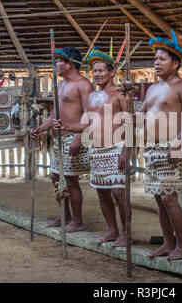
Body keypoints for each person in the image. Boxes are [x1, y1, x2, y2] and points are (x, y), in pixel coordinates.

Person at [53, 49, 130, 247]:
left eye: (101, 70)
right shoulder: (92, 97)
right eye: (94, 71)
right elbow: (85, 124)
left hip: (115, 148)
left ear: (112, 72)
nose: (96, 74)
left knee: (119, 194)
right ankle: (112, 231)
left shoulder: (121, 95)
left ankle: (126, 233)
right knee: (102, 192)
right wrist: (67, 127)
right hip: (96, 151)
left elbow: (131, 125)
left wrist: (125, 152)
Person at [139, 37, 182, 260]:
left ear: (175, 63)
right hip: (152, 149)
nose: (157, 62)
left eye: (162, 59)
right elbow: (141, 114)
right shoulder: (153, 88)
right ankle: (167, 242)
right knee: (158, 197)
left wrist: (179, 143)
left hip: (172, 147)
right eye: (155, 58)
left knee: (168, 198)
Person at [30, 46, 94, 232]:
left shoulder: (84, 85)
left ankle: (78, 221)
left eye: (60, 61)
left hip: (74, 136)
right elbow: (53, 115)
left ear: (71, 63)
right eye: (56, 61)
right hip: (59, 138)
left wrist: (78, 138)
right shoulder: (60, 85)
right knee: (56, 177)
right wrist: (40, 129)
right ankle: (64, 215)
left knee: (71, 180)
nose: (56, 65)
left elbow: (89, 114)